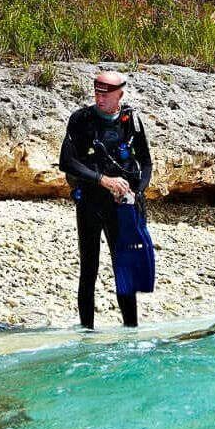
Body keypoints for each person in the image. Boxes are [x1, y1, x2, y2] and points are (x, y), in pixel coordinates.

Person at [59, 68, 153, 330]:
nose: (100, 99)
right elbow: (67, 162)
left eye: (106, 95)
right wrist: (103, 180)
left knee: (124, 268)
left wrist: (138, 191)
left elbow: (145, 162)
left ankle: (131, 332)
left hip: (122, 206)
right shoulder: (81, 120)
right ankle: (86, 332)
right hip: (90, 202)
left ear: (119, 94)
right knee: (89, 268)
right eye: (97, 93)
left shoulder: (131, 120)